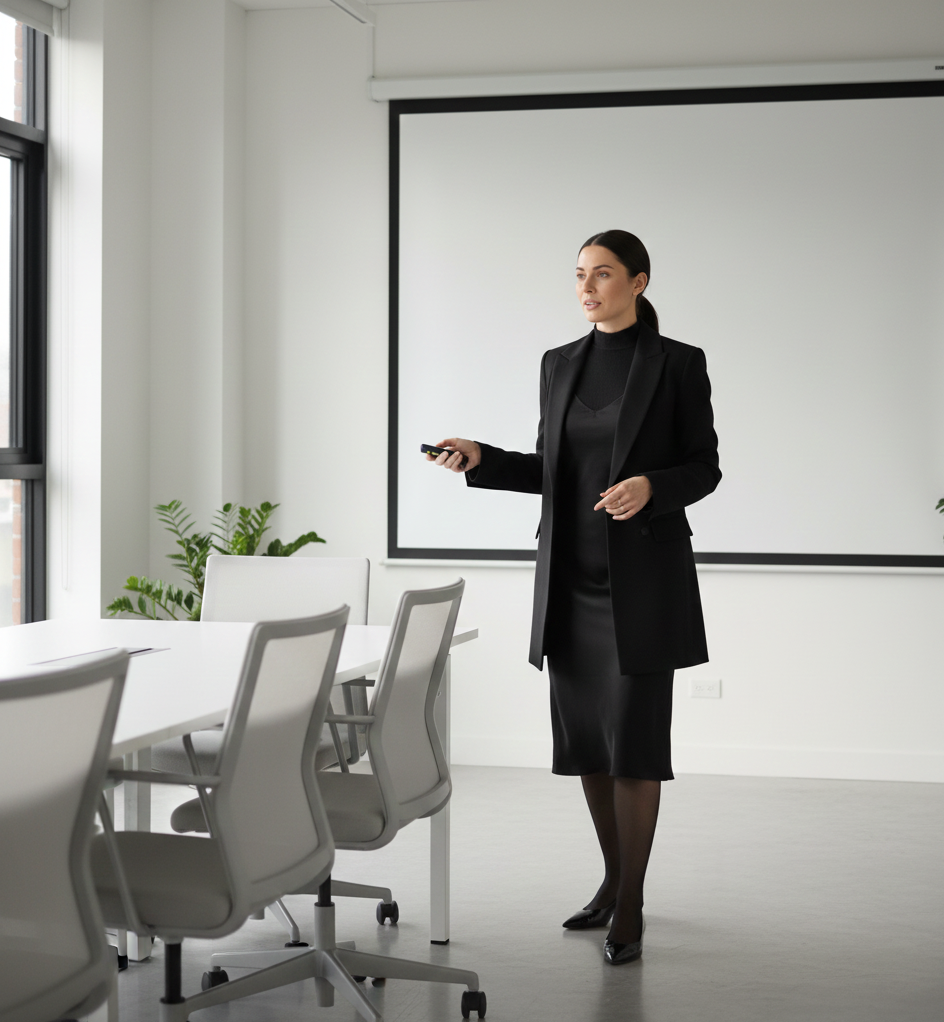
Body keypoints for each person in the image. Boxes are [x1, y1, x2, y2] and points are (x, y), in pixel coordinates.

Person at [426, 229, 720, 965]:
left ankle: (631, 904)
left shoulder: (679, 364)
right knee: (589, 744)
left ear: (639, 282)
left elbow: (705, 467)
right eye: (580, 276)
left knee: (636, 751)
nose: (588, 288)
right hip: (570, 585)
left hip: (644, 587)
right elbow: (553, 469)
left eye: (604, 275)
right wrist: (482, 461)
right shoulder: (558, 365)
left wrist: (654, 486)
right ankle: (613, 879)